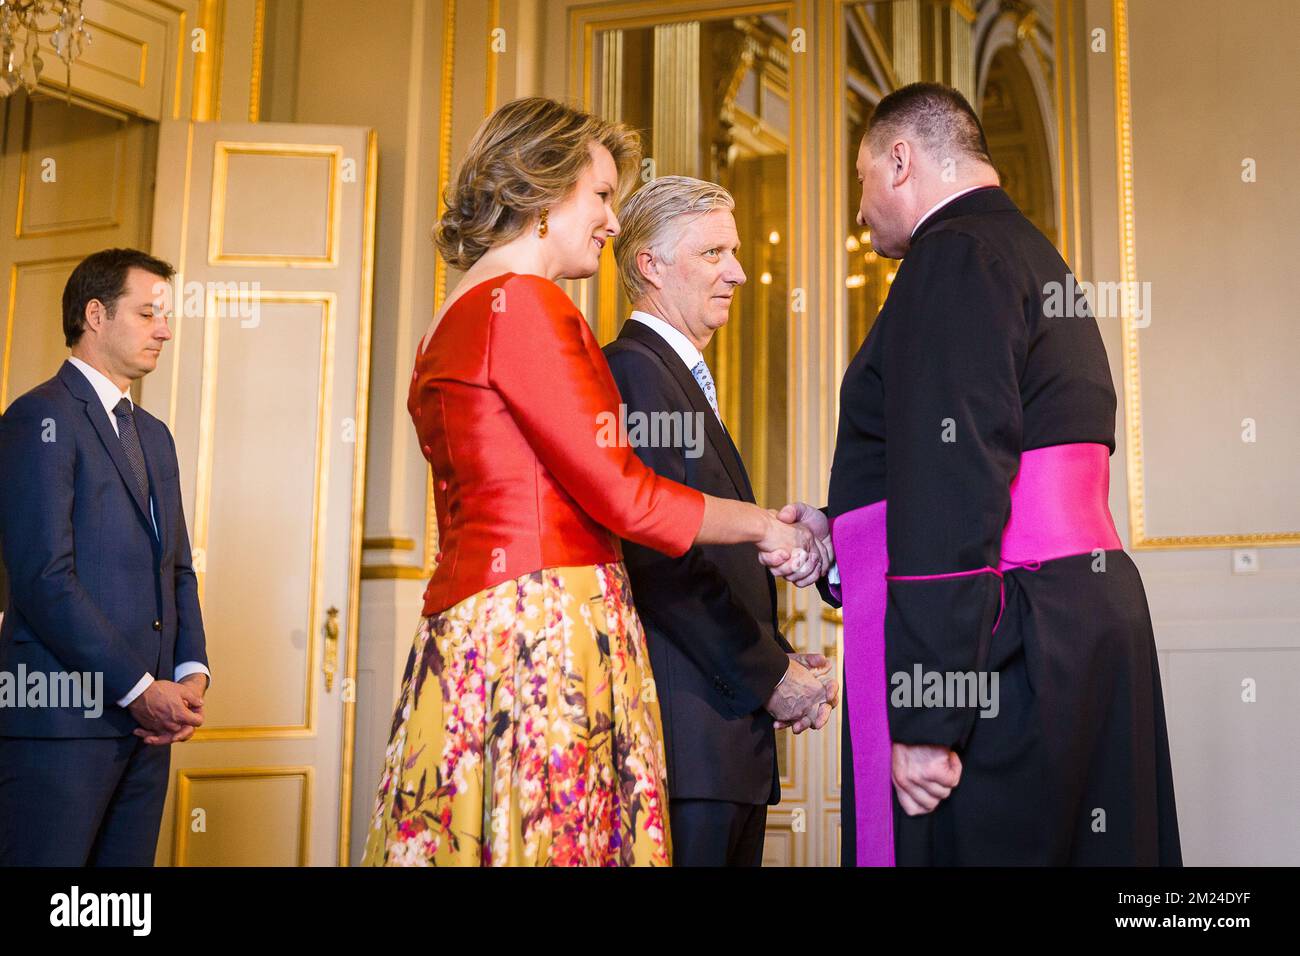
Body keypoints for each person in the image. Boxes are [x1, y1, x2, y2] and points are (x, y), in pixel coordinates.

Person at [361, 97, 823, 867]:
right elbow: (623, 493)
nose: (612, 222)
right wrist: (765, 525)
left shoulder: (452, 314)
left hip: (475, 626)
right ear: (543, 190)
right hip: (545, 622)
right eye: (601, 196)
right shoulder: (528, 305)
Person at [780, 82, 1181, 866]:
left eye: (863, 182)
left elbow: (956, 482)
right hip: (1072, 616)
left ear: (900, 161)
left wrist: (930, 716)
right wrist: (844, 536)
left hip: (1002, 637)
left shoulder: (953, 256)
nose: (860, 213)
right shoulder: (1029, 250)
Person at [602, 176, 838, 867]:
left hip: (721, 744)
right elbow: (660, 556)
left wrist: (780, 658)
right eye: (713, 253)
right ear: (649, 265)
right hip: (690, 743)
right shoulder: (637, 373)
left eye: (733, 253)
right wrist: (773, 678)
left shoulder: (673, 378)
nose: (737, 271)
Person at [0, 248, 210, 866]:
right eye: (148, 314)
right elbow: (44, 580)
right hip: (59, 726)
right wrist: (141, 688)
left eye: (164, 316)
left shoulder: (155, 435)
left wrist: (192, 672)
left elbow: (176, 566)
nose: (165, 330)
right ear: (96, 314)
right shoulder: (38, 417)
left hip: (150, 732)